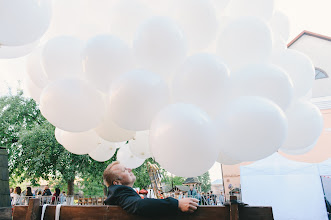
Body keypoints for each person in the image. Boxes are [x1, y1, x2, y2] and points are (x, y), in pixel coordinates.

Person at [103, 161, 199, 217]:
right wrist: (177, 204)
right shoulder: (119, 191)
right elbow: (139, 205)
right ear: (117, 183)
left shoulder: (116, 193)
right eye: (125, 170)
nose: (130, 169)